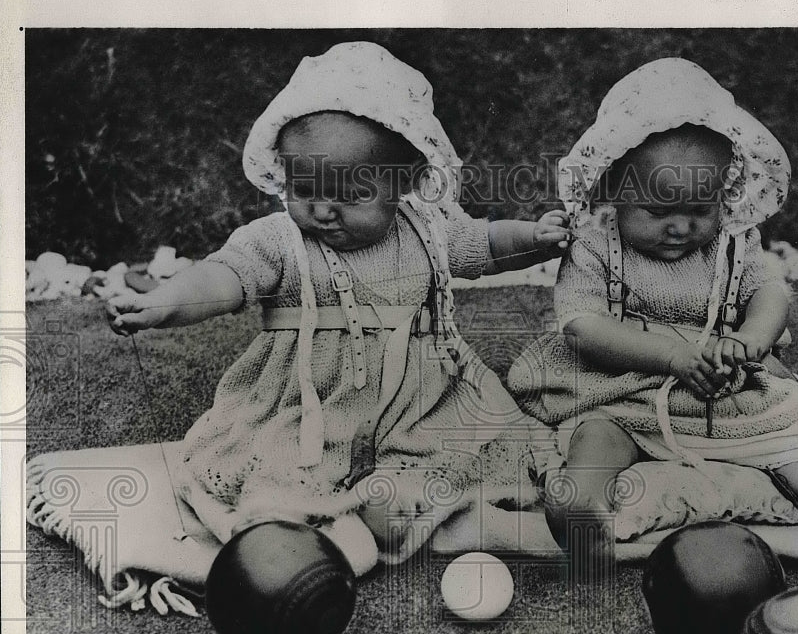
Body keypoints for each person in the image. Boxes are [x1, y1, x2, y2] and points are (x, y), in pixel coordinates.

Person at [105, 42, 569, 567]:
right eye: (305, 189)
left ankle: (411, 507)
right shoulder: (280, 241)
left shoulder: (427, 227)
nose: (323, 210)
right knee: (276, 480)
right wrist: (164, 305)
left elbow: (483, 245)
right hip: (312, 409)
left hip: (420, 403)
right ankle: (299, 534)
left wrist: (534, 236)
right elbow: (225, 278)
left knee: (461, 451)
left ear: (405, 183)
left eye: (350, 197)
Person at [507, 58, 798, 564]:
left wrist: (752, 337)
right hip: (623, 381)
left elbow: (770, 291)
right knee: (598, 435)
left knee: (786, 432)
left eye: (699, 210)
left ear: (723, 196)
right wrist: (672, 356)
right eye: (659, 212)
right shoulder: (597, 244)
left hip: (720, 386)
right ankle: (581, 504)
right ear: (614, 192)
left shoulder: (731, 241)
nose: (681, 228)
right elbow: (583, 327)